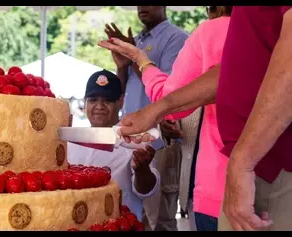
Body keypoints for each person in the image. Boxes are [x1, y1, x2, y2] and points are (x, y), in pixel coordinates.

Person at [110, 6, 292, 231]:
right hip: (241, 177)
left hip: (261, 173)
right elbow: (230, 73)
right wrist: (156, 110)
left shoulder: (205, 32)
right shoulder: (242, 23)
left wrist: (242, 161)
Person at [98, 6, 233, 231]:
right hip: (262, 176)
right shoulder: (271, 30)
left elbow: (173, 96)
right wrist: (126, 62)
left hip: (166, 144)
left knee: (159, 218)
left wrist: (138, 59)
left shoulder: (182, 36)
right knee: (130, 213)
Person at [104, 6, 188, 231]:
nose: (142, 7)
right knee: (129, 213)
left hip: (160, 141)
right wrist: (122, 66)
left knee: (158, 219)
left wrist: (133, 56)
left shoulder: (176, 38)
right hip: (128, 141)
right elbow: (120, 93)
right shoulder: (137, 40)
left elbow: (169, 91)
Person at [67, 70, 160, 223]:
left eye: (107, 101)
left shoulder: (135, 139)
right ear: (85, 102)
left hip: (119, 225)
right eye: (93, 100)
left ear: (121, 101)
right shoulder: (72, 140)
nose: (99, 106)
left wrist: (142, 170)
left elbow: (147, 191)